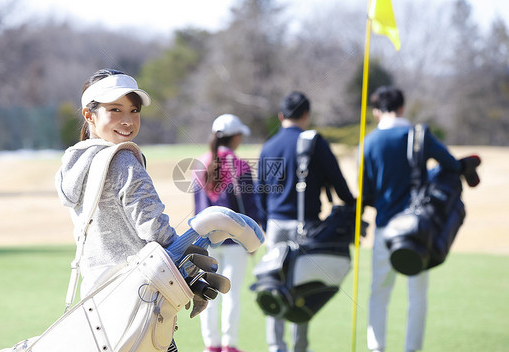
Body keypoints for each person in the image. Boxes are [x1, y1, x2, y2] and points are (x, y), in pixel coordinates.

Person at [55, 68, 182, 351]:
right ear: (89, 115)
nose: (128, 120)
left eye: (134, 110)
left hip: (95, 300)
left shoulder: (71, 164)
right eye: (115, 109)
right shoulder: (122, 160)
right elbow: (155, 229)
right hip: (138, 296)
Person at [362, 86, 462, 352]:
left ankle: (376, 348)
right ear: (402, 108)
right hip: (420, 229)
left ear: (376, 112)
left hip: (385, 228)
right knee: (417, 295)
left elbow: (367, 193)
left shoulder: (370, 141)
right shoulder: (418, 134)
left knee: (379, 293)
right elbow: (452, 165)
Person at [256, 91, 355, 352]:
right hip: (307, 226)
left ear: (281, 116)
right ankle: (299, 347)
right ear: (306, 115)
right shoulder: (314, 143)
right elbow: (339, 184)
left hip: (275, 226)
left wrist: (266, 222)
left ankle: (275, 346)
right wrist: (352, 203)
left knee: (273, 286)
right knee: (302, 288)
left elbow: (261, 191)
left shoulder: (270, 146)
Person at [193, 114, 261, 352]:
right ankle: (229, 345)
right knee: (231, 295)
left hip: (205, 241)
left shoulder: (199, 163)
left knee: (206, 293)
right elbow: (249, 207)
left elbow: (196, 207)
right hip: (234, 242)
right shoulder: (239, 165)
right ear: (236, 137)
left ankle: (211, 346)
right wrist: (251, 241)